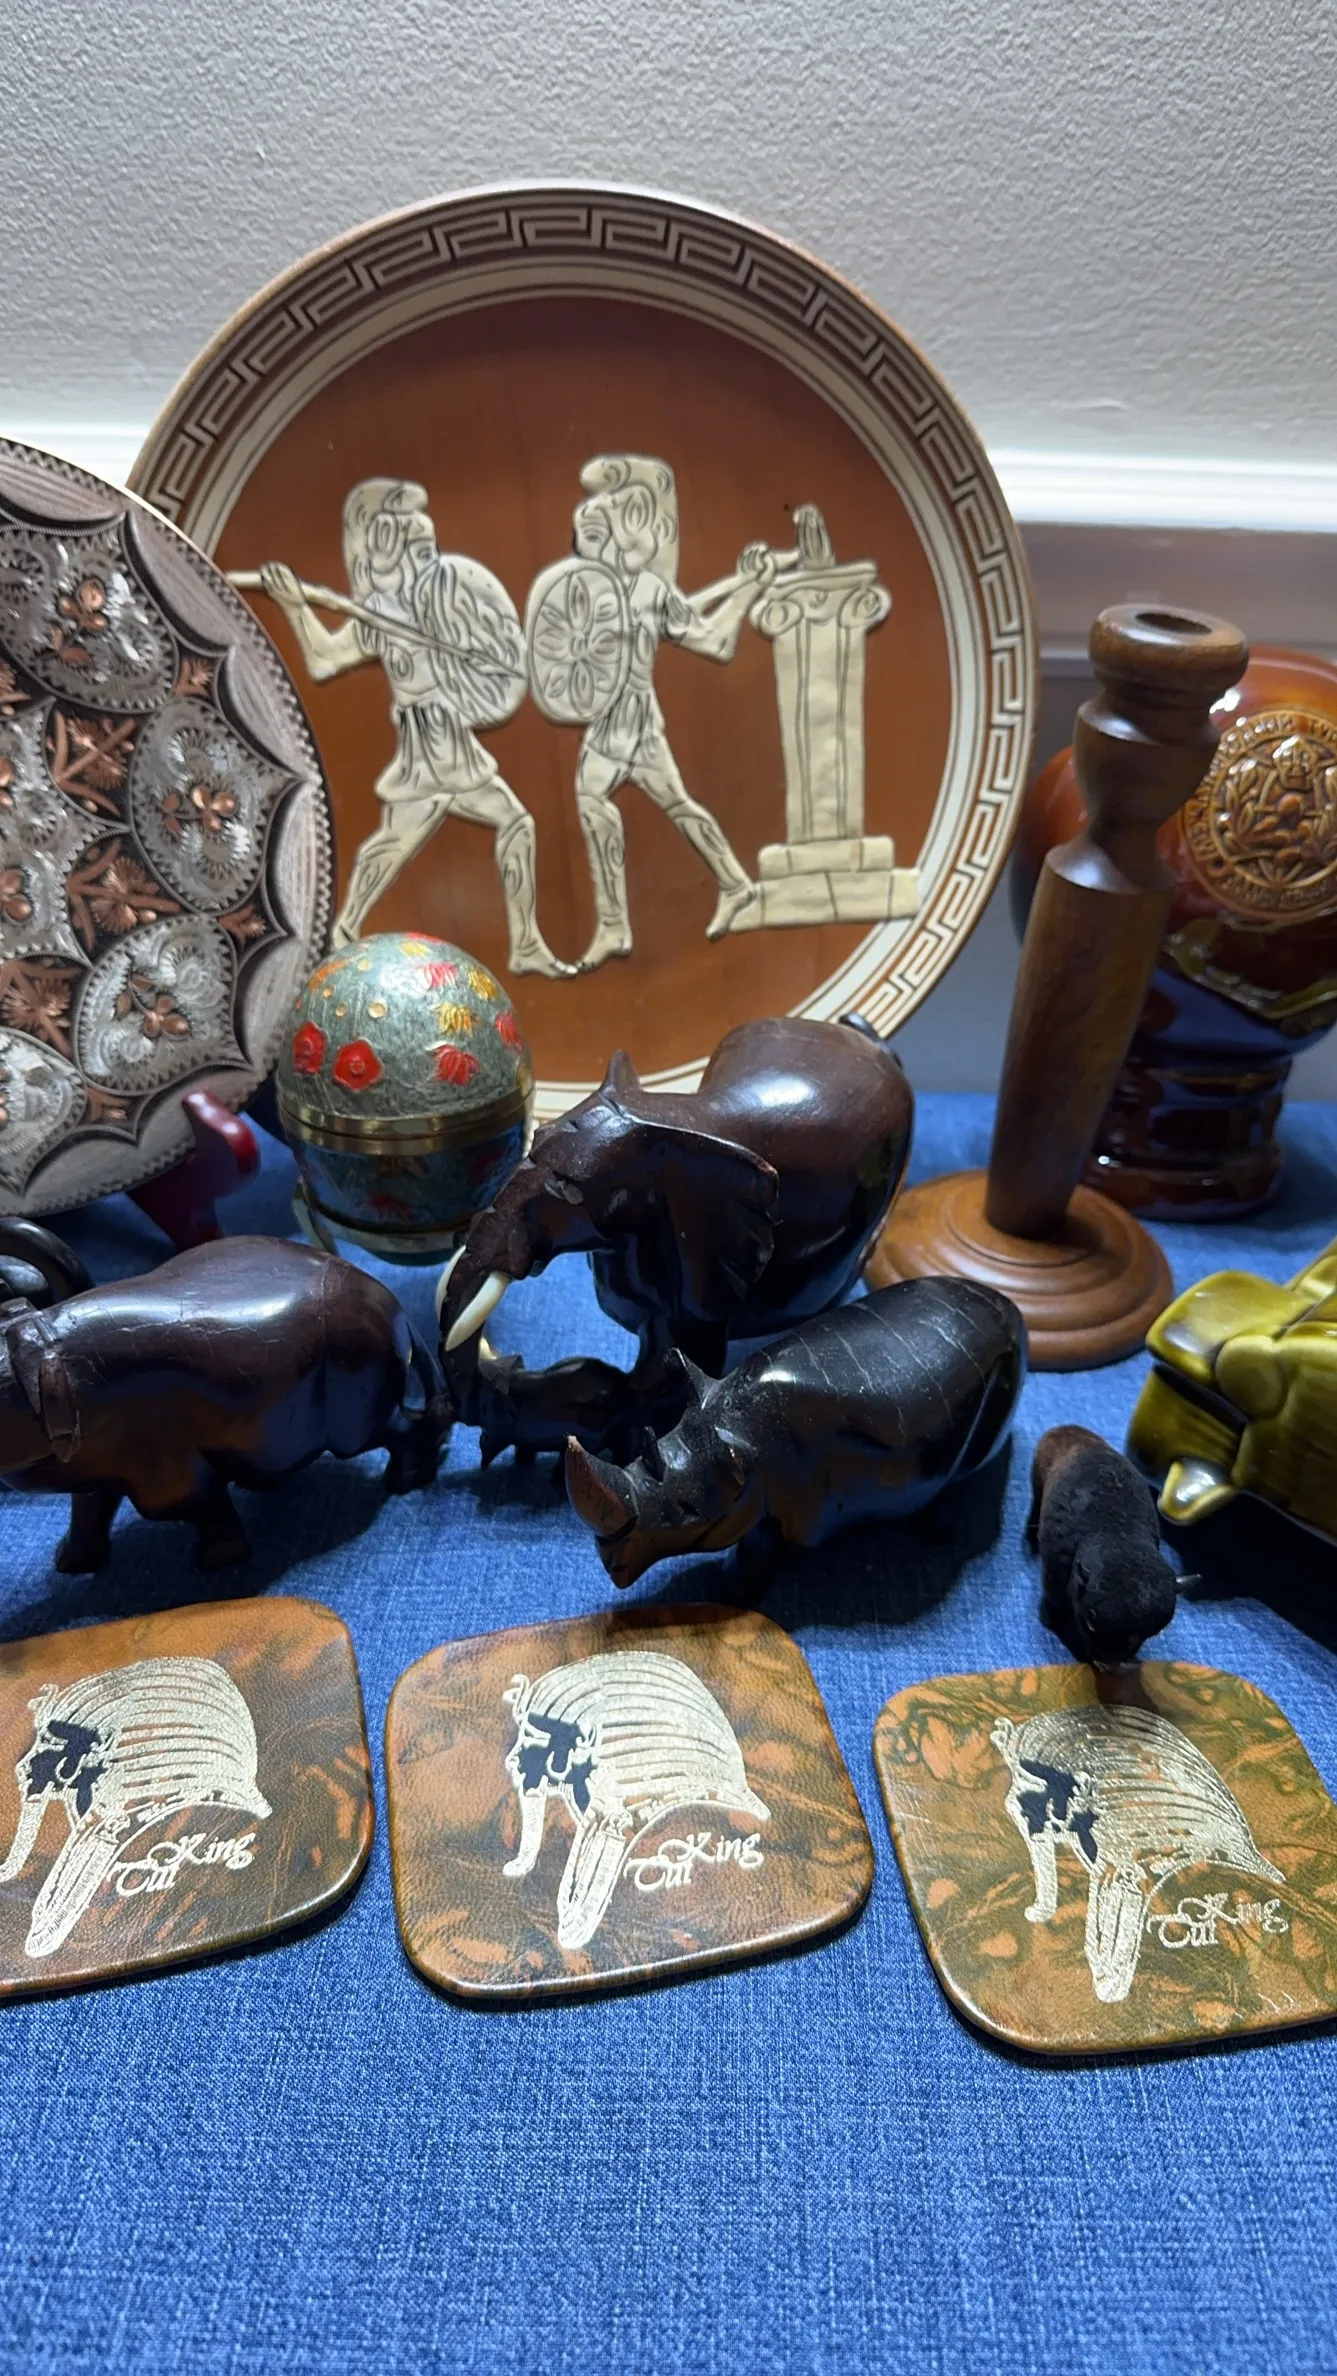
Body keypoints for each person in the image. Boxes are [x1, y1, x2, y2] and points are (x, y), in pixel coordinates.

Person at [259, 478, 571, 974]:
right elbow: (323, 660)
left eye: (430, 548)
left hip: (452, 739)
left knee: (493, 826)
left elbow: (484, 651)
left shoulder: (441, 602)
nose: (428, 558)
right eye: (418, 549)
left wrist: (482, 657)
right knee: (402, 841)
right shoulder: (381, 614)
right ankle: (344, 928)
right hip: (427, 747)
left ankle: (524, 944)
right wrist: (295, 606)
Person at [537, 456, 776, 971]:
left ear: (622, 537)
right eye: (582, 537)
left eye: (595, 535)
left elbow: (714, 643)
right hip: (607, 724)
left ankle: (725, 887)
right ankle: (632, 919)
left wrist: (748, 589)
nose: (583, 547)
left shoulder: (651, 591)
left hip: (638, 725)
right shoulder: (585, 593)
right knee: (605, 800)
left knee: (666, 802)